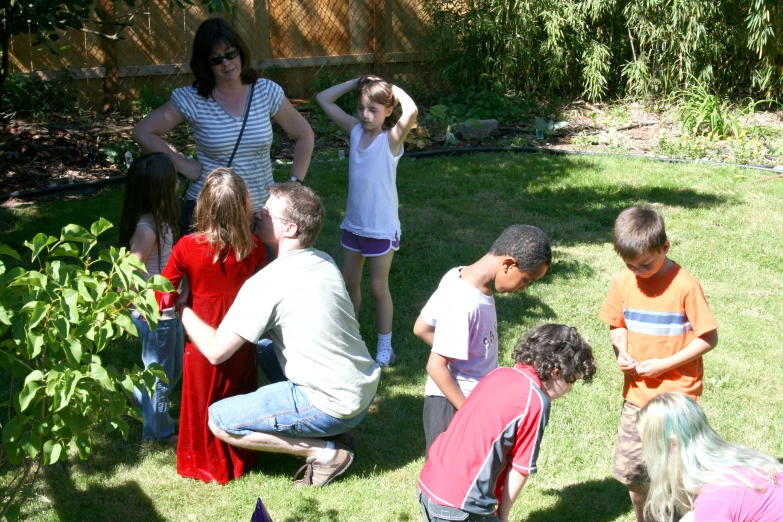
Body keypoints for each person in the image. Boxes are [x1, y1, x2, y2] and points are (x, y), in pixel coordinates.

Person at [176, 183, 381, 487]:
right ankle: (331, 430)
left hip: (330, 403)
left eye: (268, 213)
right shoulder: (323, 260)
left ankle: (325, 451)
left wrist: (183, 307)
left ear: (290, 229)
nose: (258, 214)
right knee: (257, 348)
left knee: (220, 420)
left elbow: (217, 350)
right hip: (360, 389)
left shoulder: (268, 283)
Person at [132, 18, 314, 233]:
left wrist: (294, 183)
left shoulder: (265, 92)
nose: (226, 64)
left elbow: (304, 135)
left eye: (230, 54)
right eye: (216, 60)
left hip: (260, 212)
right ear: (205, 64)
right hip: (211, 214)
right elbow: (143, 132)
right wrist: (184, 166)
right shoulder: (192, 99)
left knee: (264, 267)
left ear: (241, 52)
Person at [599, 204, 719, 522]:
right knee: (632, 471)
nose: (638, 272)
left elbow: (708, 338)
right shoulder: (624, 282)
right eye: (631, 265)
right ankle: (644, 517)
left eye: (646, 265)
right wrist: (621, 349)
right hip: (637, 398)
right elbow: (616, 324)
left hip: (677, 400)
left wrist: (666, 364)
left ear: (664, 247)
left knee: (680, 471)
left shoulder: (685, 285)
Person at [418, 324, 596, 521]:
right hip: (460, 504)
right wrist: (502, 517)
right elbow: (520, 469)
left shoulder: (499, 374)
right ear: (555, 372)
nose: (569, 389)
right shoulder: (535, 401)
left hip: (430, 485)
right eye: (571, 380)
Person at [157, 168, 267, 484]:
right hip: (240, 331)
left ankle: (200, 461)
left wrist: (176, 302)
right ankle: (238, 457)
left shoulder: (187, 248)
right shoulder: (255, 247)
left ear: (203, 206)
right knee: (239, 391)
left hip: (201, 332)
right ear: (245, 207)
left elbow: (163, 291)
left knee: (200, 397)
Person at [413, 224, 551, 457]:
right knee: (449, 479)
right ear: (508, 265)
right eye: (526, 280)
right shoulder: (467, 301)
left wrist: (457, 350)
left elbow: (421, 328)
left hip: (469, 398)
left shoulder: (457, 275)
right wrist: (469, 412)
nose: (523, 288)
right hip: (454, 403)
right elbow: (436, 366)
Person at [315, 75, 418, 366]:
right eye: (361, 108)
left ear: (388, 110)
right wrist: (355, 82)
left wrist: (390, 86)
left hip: (380, 229)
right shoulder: (355, 131)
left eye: (374, 110)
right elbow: (323, 98)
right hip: (354, 225)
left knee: (377, 288)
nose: (365, 115)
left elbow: (411, 111)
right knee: (349, 283)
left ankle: (385, 346)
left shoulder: (391, 140)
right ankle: (351, 338)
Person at [118, 152, 184, 442]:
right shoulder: (147, 230)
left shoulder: (161, 220)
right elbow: (129, 270)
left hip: (169, 309)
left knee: (173, 369)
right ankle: (159, 431)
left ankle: (135, 393)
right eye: (174, 179)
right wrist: (125, 304)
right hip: (154, 312)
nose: (178, 182)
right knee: (160, 376)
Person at [638, 392, 783, 522]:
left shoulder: (713, 500)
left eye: (648, 447)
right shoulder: (742, 460)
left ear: (673, 445)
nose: (644, 458)